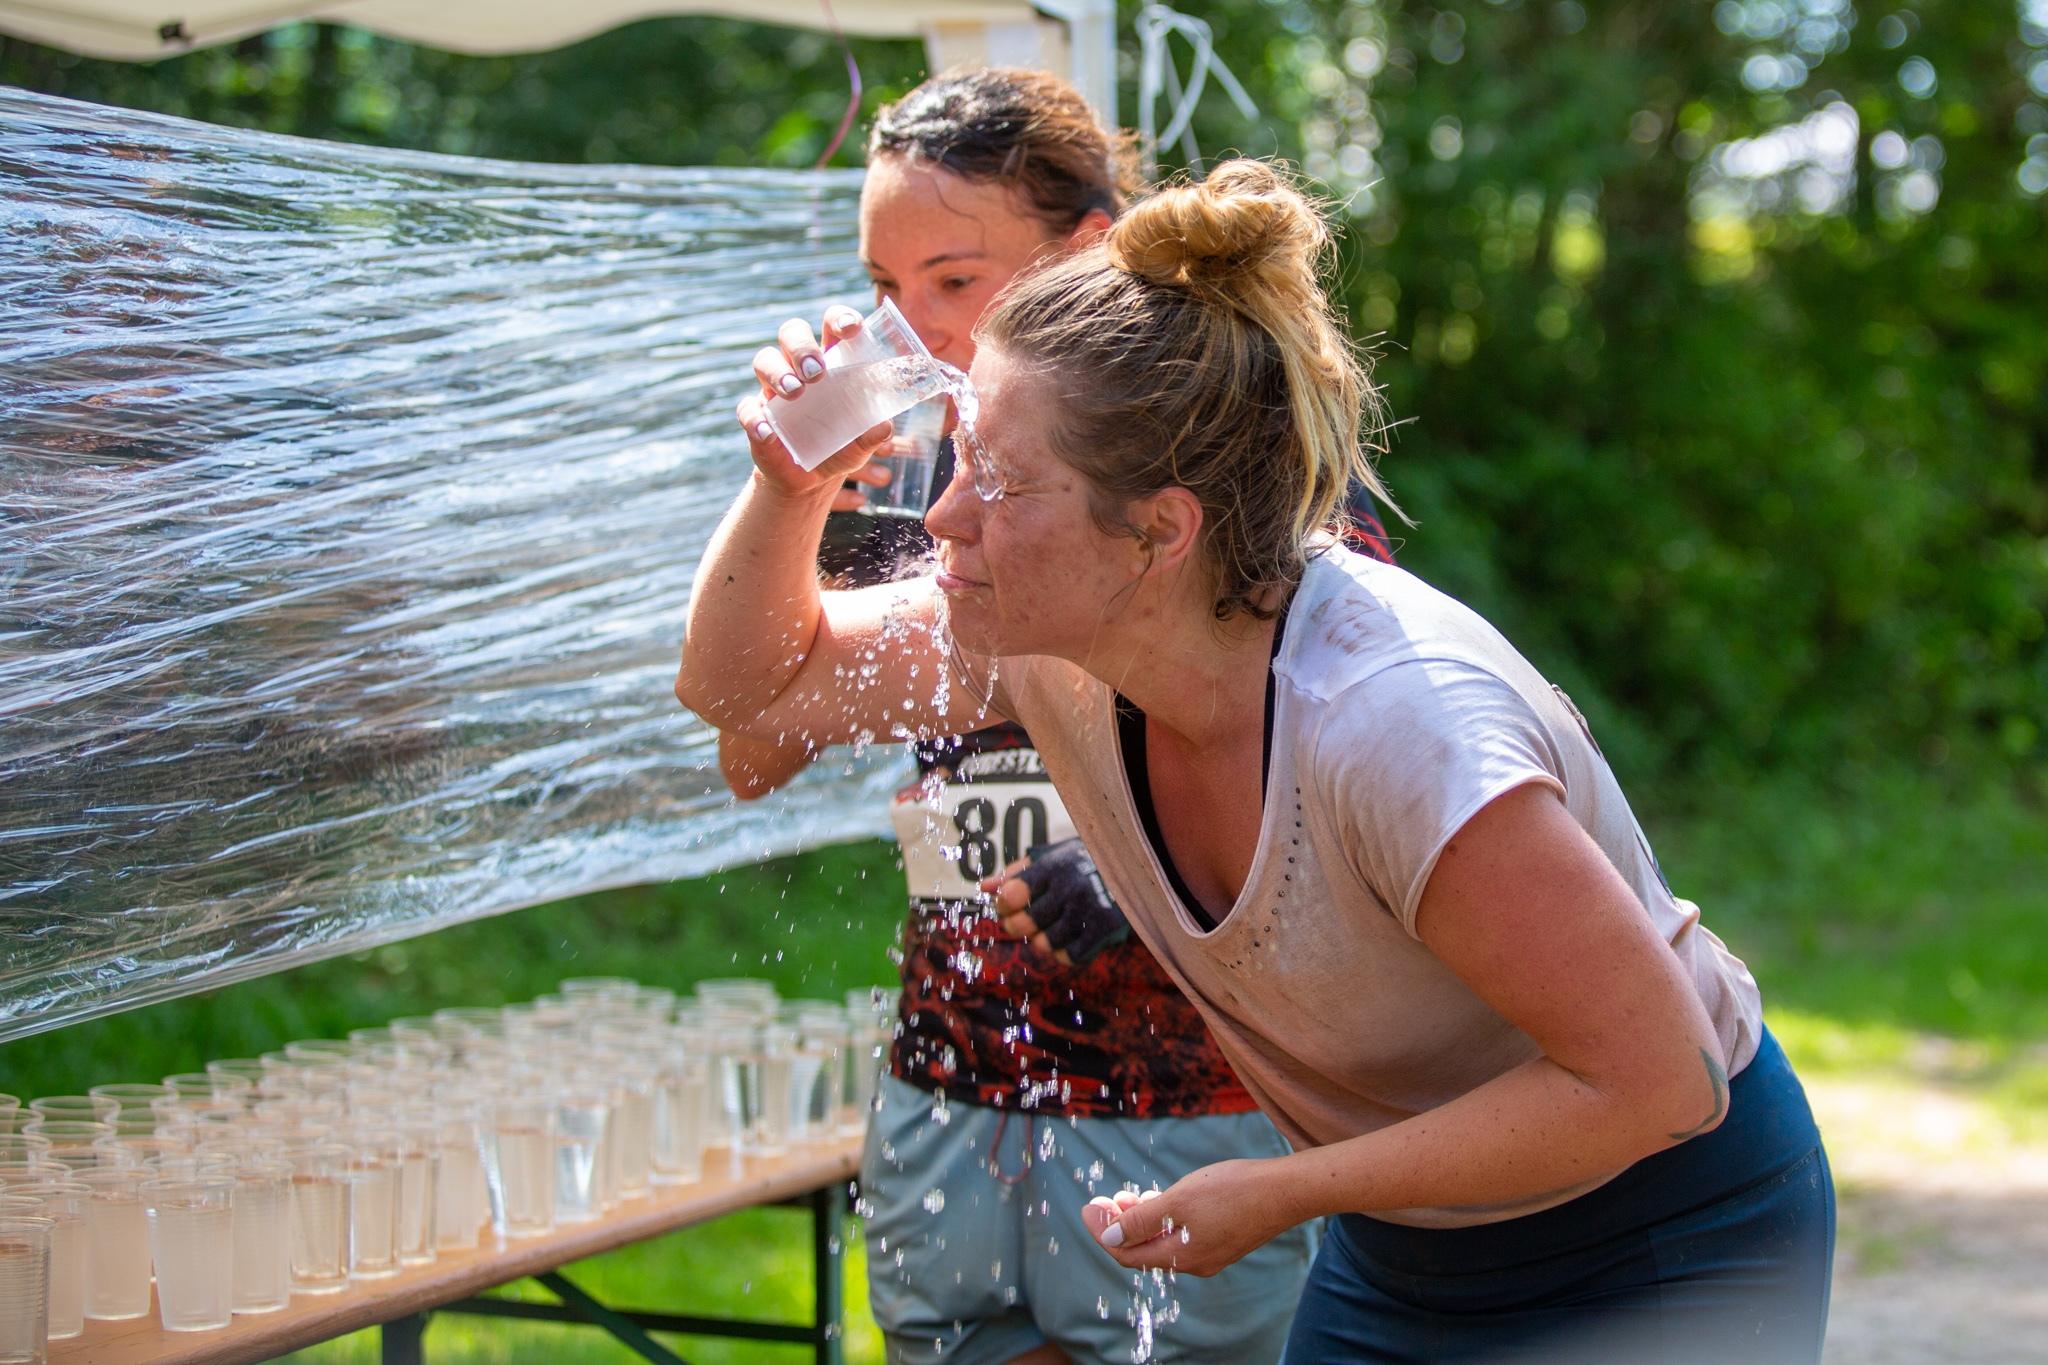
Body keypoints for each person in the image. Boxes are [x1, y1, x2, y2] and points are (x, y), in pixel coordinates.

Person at [679, 158, 1834, 1361]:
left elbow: (1658, 1082)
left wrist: (1283, 1190)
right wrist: (789, 484)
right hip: (1406, 1246)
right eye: (962, 459)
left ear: (1158, 532)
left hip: (1661, 1234)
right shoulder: (1040, 644)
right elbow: (740, 689)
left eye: (1002, 483)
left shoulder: (1391, 725)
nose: (942, 518)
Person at [714, 70, 1329, 1365]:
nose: (911, 327)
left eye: (952, 279)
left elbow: (1324, 737)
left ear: (1084, 249)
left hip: (1182, 1092)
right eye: (884, 287)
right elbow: (751, 745)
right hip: (949, 1075)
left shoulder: (1213, 440)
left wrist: (1136, 859)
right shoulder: (896, 470)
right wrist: (793, 497)